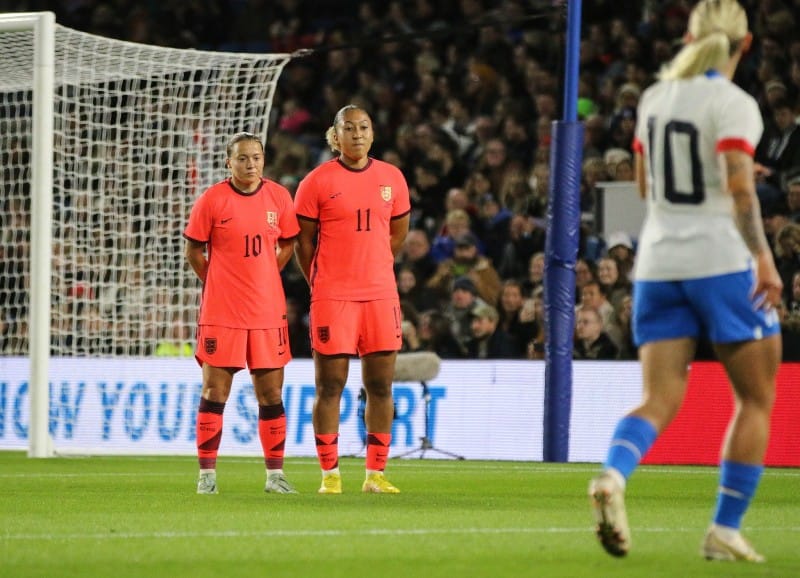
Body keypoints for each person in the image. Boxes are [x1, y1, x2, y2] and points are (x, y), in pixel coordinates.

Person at [589, 0, 783, 563]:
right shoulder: (735, 103)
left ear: (691, 38)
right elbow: (740, 193)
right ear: (746, 45)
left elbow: (646, 187)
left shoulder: (655, 96)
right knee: (756, 398)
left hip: (657, 264)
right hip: (720, 261)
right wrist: (764, 258)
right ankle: (724, 529)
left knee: (658, 399)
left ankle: (613, 475)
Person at [294, 104, 411, 494]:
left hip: (380, 296)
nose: (357, 134)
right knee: (330, 386)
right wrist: (321, 281)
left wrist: (372, 267)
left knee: (381, 386)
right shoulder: (316, 181)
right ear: (336, 135)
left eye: (364, 127)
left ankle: (375, 474)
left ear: (373, 133)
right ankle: (330, 475)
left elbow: (397, 234)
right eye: (349, 128)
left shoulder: (392, 178)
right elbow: (303, 243)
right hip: (334, 297)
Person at [184, 131, 300, 495]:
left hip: (266, 312)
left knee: (271, 394)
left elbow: (288, 242)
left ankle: (275, 477)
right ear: (228, 162)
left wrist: (266, 273)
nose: (251, 164)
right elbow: (194, 250)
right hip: (223, 312)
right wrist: (217, 281)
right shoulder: (212, 199)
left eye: (256, 157)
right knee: (214, 391)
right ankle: (206, 477)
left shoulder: (279, 197)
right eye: (243, 158)